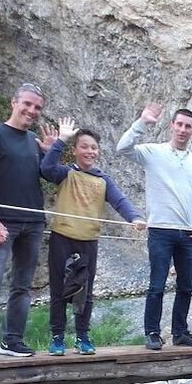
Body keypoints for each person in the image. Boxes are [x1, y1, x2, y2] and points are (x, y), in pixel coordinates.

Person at [0, 83, 60, 360]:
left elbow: (50, 175)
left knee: (23, 286)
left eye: (37, 107)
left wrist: (50, 152)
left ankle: (12, 340)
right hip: (3, 221)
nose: (32, 110)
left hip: (34, 222)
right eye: (27, 103)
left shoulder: (34, 141)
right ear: (14, 102)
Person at [40, 118, 146, 356]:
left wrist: (135, 217)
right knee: (58, 289)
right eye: (84, 147)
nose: (90, 151)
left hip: (88, 241)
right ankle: (57, 337)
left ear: (98, 151)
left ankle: (82, 336)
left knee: (85, 291)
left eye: (94, 148)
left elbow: (120, 201)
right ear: (75, 150)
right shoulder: (65, 173)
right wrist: (61, 140)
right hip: (62, 237)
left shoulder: (103, 180)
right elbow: (46, 169)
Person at [116, 103, 192, 350]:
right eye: (179, 124)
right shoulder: (153, 152)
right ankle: (152, 333)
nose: (183, 130)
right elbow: (122, 148)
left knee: (186, 286)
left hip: (188, 233)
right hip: (160, 230)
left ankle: (180, 332)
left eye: (188, 126)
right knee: (157, 285)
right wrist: (142, 122)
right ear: (171, 126)